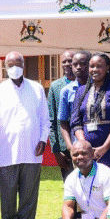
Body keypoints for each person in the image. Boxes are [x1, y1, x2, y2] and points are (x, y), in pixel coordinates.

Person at [0, 52, 50, 219]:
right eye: (10, 64)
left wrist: (43, 140)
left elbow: (45, 119)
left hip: (32, 151)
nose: (15, 67)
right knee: (7, 196)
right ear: (5, 67)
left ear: (24, 65)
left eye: (18, 64)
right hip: (5, 152)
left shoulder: (37, 89)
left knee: (29, 196)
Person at [70, 52, 110, 180]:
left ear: (107, 68)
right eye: (92, 66)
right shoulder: (81, 90)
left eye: (99, 66)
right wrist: (85, 146)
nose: (94, 70)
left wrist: (104, 148)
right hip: (86, 153)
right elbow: (75, 122)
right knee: (88, 183)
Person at [47, 50, 75, 179]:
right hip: (65, 148)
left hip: (85, 144)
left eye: (70, 61)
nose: (67, 64)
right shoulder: (55, 86)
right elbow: (51, 120)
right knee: (70, 184)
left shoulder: (87, 83)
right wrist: (56, 151)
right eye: (64, 62)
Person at [59, 50, 90, 157]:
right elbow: (63, 122)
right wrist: (70, 146)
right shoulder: (66, 91)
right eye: (75, 64)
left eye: (83, 64)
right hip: (77, 147)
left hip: (98, 143)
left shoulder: (98, 88)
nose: (78, 67)